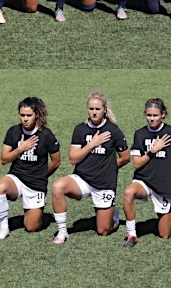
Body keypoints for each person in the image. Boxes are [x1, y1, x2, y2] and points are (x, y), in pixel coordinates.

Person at [51, 92, 129, 244]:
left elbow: (125, 157)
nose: (94, 112)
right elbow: (73, 159)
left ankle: (114, 216)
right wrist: (92, 143)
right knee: (57, 186)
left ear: (104, 109)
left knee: (103, 231)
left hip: (104, 184)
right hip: (82, 179)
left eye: (97, 109)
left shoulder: (113, 130)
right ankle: (62, 231)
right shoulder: (80, 129)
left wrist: (108, 168)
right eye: (91, 108)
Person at [0, 97, 62, 240]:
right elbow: (4, 159)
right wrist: (20, 149)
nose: (25, 119)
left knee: (31, 228)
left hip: (36, 183)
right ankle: (3, 227)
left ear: (37, 115)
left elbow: (56, 162)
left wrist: (41, 176)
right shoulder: (13, 131)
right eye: (22, 115)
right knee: (0, 188)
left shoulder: (46, 135)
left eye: (29, 115)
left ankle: (40, 214)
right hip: (16, 178)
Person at [122, 98, 171, 248]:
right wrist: (153, 150)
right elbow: (137, 163)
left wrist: (167, 172)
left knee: (164, 235)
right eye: (149, 115)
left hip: (163, 184)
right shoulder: (140, 134)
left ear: (163, 114)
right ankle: (131, 234)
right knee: (128, 192)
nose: (152, 118)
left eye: (155, 115)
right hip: (143, 180)